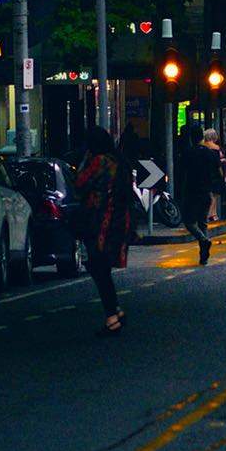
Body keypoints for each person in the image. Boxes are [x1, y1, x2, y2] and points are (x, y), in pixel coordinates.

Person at [74, 127, 133, 335]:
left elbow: (80, 183)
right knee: (102, 268)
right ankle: (114, 310)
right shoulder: (120, 161)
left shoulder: (100, 162)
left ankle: (112, 316)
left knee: (98, 267)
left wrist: (84, 160)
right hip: (119, 220)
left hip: (102, 222)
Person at [175, 126, 217, 265]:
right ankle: (203, 254)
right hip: (206, 192)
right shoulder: (209, 153)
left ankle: (203, 240)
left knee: (189, 222)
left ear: (191, 138)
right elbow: (215, 172)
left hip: (192, 191)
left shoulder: (188, 153)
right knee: (202, 221)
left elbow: (181, 173)